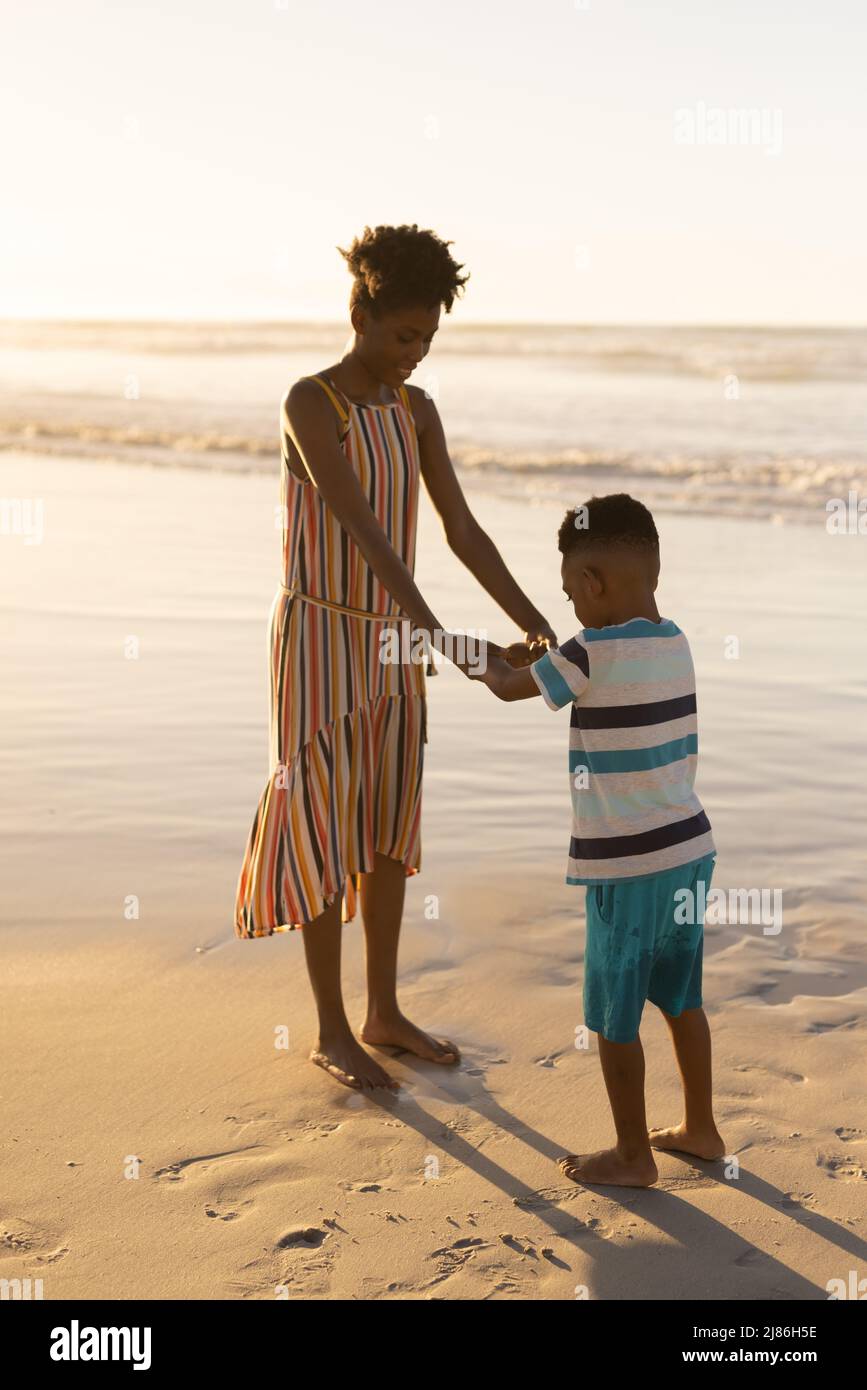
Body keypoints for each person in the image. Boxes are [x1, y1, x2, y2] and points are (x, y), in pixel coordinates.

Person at [234, 223, 557, 1093]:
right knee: (322, 821)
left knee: (385, 823)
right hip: (320, 638)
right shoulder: (312, 403)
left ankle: (382, 1008)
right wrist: (453, 645)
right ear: (361, 314)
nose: (414, 353)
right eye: (402, 335)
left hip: (392, 638)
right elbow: (367, 535)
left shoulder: (415, 412)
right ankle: (330, 1028)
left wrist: (536, 628)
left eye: (427, 339)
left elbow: (460, 531)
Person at [470, 493, 724, 1187]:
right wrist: (548, 656)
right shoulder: (672, 640)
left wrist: (475, 654)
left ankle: (633, 1153)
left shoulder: (587, 649)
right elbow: (603, 682)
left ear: (589, 584)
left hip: (625, 864)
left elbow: (506, 686)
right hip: (686, 850)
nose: (571, 606)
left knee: (614, 1015)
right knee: (679, 997)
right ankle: (700, 1128)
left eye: (568, 592)